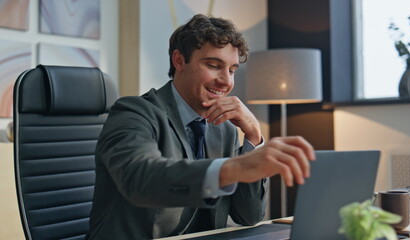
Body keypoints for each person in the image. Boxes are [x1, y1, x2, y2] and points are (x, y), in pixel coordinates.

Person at [86, 14, 315, 240]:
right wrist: (233, 168)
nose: (226, 81)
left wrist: (253, 137)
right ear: (179, 61)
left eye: (232, 70)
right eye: (214, 65)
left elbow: (249, 216)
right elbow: (141, 178)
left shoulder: (224, 129)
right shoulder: (133, 112)